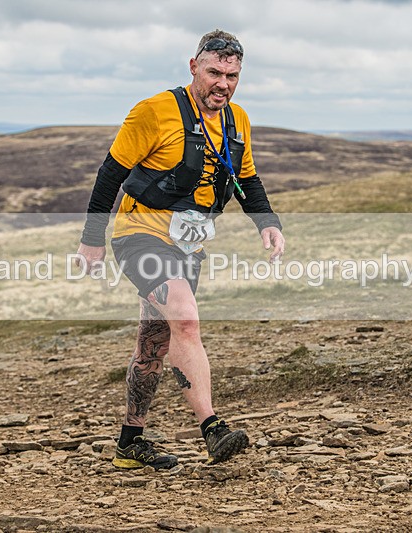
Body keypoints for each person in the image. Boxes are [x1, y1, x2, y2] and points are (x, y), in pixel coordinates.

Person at [76, 29, 285, 470]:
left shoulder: (237, 120)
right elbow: (109, 175)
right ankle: (213, 429)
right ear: (194, 67)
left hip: (187, 247)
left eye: (232, 75)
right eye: (213, 72)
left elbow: (247, 180)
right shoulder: (154, 112)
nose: (222, 84)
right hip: (139, 235)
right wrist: (92, 239)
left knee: (154, 344)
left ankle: (129, 444)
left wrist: (267, 223)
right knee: (186, 319)